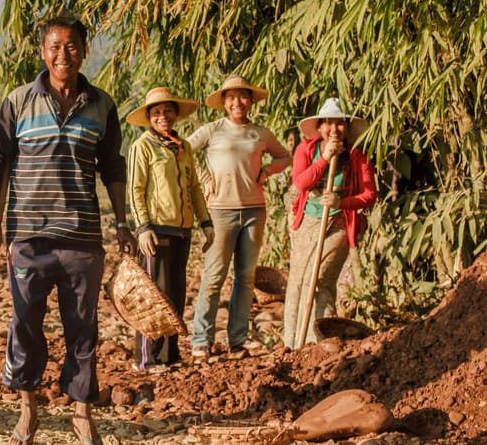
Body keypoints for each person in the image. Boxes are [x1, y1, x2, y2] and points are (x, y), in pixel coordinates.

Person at [0, 14, 136, 445]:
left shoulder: (101, 105)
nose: (62, 54)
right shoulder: (18, 102)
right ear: (42, 52)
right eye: (54, 46)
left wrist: (122, 222)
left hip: (83, 236)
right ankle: (28, 408)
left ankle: (82, 411)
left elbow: (112, 168)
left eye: (71, 46)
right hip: (27, 235)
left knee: (82, 328)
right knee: (25, 323)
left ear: (84, 51)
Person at [187, 75, 290, 355]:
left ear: (251, 100)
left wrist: (267, 171)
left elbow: (285, 157)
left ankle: (237, 338)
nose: (237, 102)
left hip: (255, 210)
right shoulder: (212, 130)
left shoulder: (261, 134)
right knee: (214, 276)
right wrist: (204, 178)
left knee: (245, 277)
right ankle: (200, 340)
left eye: (243, 96)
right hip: (220, 211)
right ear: (223, 102)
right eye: (231, 97)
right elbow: (182, 152)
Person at [125, 87, 211, 371]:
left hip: (181, 231)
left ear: (175, 114)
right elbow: (136, 189)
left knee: (174, 294)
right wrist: (143, 228)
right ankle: (147, 359)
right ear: (149, 117)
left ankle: (169, 355)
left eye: (168, 111)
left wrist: (205, 222)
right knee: (152, 297)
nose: (163, 116)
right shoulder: (143, 146)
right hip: (156, 232)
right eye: (157, 112)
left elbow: (195, 188)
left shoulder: (184, 147)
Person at [282, 98, 377, 347]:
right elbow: (301, 183)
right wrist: (324, 158)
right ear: (320, 126)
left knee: (321, 278)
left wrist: (340, 202)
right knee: (299, 280)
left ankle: (320, 341)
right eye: (328, 124)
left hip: (338, 223)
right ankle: (292, 343)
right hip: (308, 222)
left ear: (347, 127)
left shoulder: (357, 156)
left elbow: (369, 195)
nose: (334, 130)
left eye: (339, 124)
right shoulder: (306, 149)